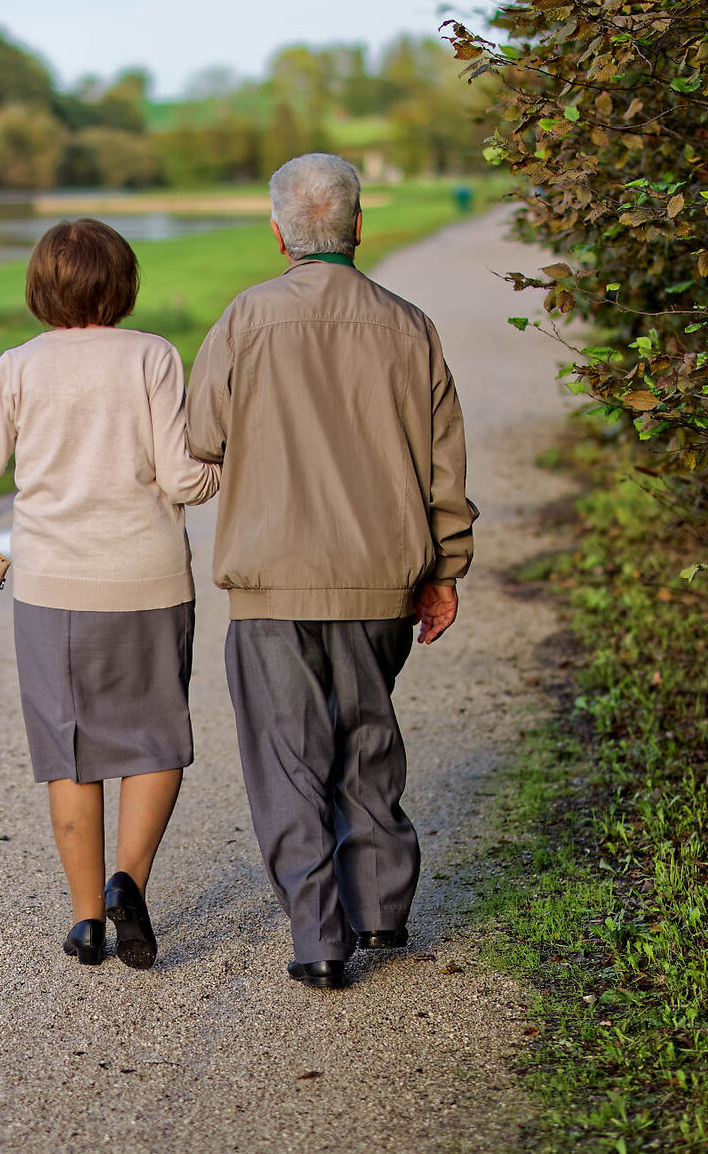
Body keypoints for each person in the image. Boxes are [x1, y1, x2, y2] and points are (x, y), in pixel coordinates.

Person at [186, 152, 476, 990]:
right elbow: (443, 468)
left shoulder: (245, 318)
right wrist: (446, 566)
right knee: (368, 734)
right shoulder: (408, 324)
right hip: (381, 576)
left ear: (279, 232)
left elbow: (202, 436)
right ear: (360, 227)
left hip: (272, 581)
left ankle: (318, 935)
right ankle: (382, 907)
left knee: (288, 758)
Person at [0, 218, 218, 970]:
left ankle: (87, 921)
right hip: (148, 578)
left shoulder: (18, 364)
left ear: (39, 288)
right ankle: (129, 882)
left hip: (53, 588)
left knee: (70, 752)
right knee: (156, 736)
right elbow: (185, 478)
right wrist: (227, 463)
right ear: (124, 283)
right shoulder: (153, 354)